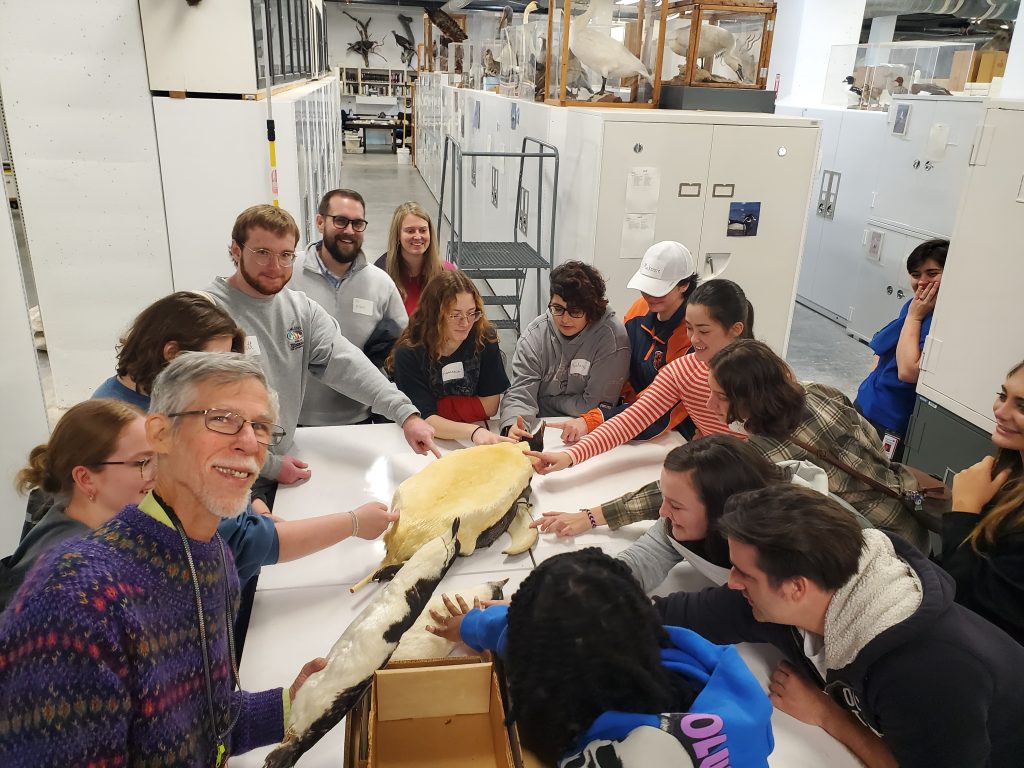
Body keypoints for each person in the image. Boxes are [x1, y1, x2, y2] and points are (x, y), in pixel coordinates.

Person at [0, 353, 326, 765]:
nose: (248, 442)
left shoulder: (213, 560)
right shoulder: (74, 595)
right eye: (222, 418)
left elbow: (209, 724)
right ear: (159, 432)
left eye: (259, 426)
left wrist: (294, 703)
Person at [654, 484, 1024, 768]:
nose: (731, 582)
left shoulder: (927, 674)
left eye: (743, 574)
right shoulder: (795, 587)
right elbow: (674, 613)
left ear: (797, 588)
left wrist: (829, 715)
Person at [90, 291, 396, 586]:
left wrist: (252, 505)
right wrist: (353, 523)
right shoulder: (134, 435)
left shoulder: (131, 398)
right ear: (171, 355)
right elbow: (239, 542)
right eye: (211, 365)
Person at [427, 549, 773, 768]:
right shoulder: (695, 663)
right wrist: (474, 625)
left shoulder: (620, 751)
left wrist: (479, 627)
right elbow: (565, 636)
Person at [204, 204, 437, 493]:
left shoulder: (300, 311)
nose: (276, 266)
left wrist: (406, 414)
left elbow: (348, 364)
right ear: (236, 250)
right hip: (224, 477)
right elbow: (200, 420)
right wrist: (271, 466)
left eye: (286, 255)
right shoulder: (208, 315)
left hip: (282, 465)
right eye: (262, 253)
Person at [706, 339, 928, 551]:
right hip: (911, 515)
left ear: (751, 397)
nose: (710, 404)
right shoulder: (820, 392)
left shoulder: (761, 456)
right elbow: (875, 447)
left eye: (721, 397)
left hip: (880, 547)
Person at [526, 279, 751, 487]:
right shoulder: (683, 370)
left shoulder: (763, 374)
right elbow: (631, 420)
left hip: (753, 478)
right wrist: (570, 456)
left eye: (703, 331)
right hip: (716, 473)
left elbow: (778, 447)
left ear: (736, 330)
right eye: (689, 328)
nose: (693, 339)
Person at [1, 400, 154, 610]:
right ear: (86, 479)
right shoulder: (77, 576)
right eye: (142, 463)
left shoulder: (66, 518)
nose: (158, 473)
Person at [554, 241, 698, 444]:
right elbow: (621, 368)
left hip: (673, 433)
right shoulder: (640, 309)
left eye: (659, 290)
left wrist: (595, 421)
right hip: (625, 419)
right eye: (646, 288)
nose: (649, 296)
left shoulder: (692, 339)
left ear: (684, 285)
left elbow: (659, 409)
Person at [290, 189, 409, 426]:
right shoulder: (289, 273)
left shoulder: (380, 283)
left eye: (357, 223)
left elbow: (404, 349)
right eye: (341, 221)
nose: (349, 231)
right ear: (320, 221)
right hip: (295, 419)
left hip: (359, 420)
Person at [497, 261, 629, 437]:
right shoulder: (534, 337)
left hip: (589, 430)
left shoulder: (613, 340)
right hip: (538, 425)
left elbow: (595, 407)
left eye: (575, 311)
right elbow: (521, 393)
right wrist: (513, 425)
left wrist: (542, 401)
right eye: (558, 308)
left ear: (592, 309)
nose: (564, 319)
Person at [943, 360, 1024, 644]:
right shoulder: (1009, 471)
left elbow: (972, 610)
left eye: (1022, 406)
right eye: (1003, 396)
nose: (1001, 411)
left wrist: (964, 511)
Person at [388, 269, 511, 444]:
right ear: (434, 314)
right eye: (455, 315)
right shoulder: (409, 351)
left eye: (471, 313)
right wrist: (472, 429)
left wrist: (438, 409)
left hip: (474, 436)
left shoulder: (483, 338)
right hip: (421, 440)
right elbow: (422, 419)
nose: (466, 323)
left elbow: (491, 406)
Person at [855, 239, 948, 461]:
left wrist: (915, 317)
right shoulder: (914, 304)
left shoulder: (940, 319)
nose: (922, 282)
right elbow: (884, 346)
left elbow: (908, 372)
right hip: (868, 398)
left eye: (932, 273)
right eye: (916, 275)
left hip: (891, 417)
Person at [93, 290, 245, 409]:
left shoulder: (173, 397)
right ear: (172, 353)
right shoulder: (114, 422)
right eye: (213, 363)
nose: (221, 375)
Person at [374, 201, 455, 316]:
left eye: (423, 230)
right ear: (398, 235)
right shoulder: (381, 273)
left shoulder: (446, 273)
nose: (417, 236)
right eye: (410, 231)